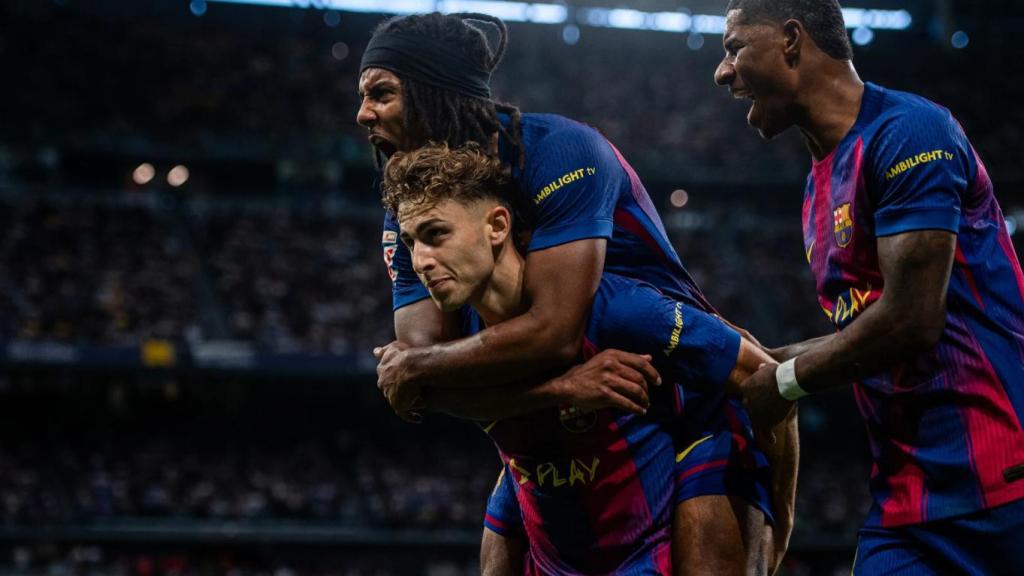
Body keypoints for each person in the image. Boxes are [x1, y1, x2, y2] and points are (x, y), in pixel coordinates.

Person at [358, 12, 797, 573]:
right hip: (556, 424)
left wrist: (779, 525)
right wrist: (557, 390)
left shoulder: (563, 153)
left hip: (673, 391)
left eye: (381, 92)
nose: (362, 113)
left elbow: (552, 333)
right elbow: (427, 378)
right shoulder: (412, 214)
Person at [712, 0, 1024, 573]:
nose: (722, 71)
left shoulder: (908, 130)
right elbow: (866, 327)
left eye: (733, 48)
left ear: (790, 39)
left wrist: (782, 380)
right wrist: (764, 361)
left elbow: (912, 320)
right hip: (906, 501)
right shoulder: (816, 190)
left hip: (1003, 485)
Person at [381, 141, 778, 574]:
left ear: (497, 226)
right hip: (549, 536)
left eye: (436, 234)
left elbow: (765, 377)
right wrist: (562, 391)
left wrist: (781, 518)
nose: (421, 261)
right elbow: (426, 399)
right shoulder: (446, 343)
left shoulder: (618, 310)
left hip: (648, 546)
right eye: (410, 242)